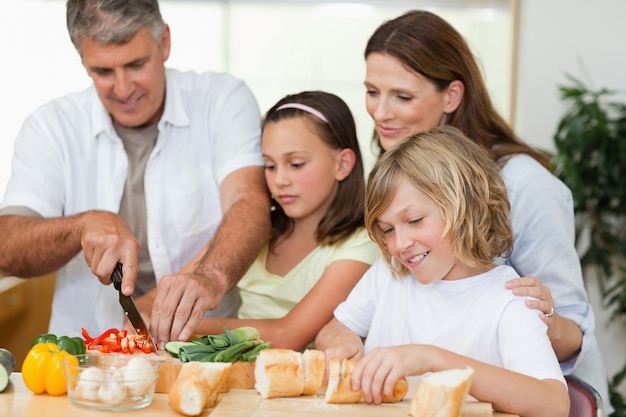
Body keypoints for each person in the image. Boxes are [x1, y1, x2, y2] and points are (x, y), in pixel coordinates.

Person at [360, 9, 611, 413]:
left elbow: (574, 337)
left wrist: (536, 315)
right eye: (372, 91)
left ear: (452, 96)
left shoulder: (526, 185)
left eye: (402, 96)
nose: (381, 112)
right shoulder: (398, 170)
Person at [0, 0, 270, 347]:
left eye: (136, 64)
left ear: (165, 43)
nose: (124, 89)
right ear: (83, 61)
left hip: (204, 348)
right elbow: (6, 245)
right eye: (103, 72)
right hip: (86, 360)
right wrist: (81, 226)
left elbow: (249, 201)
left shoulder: (223, 101)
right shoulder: (49, 127)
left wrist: (209, 277)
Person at [316, 126, 569, 417]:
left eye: (414, 220)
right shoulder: (390, 273)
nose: (399, 244)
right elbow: (333, 329)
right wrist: (342, 340)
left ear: (465, 207)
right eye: (387, 229)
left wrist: (433, 358)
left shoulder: (510, 299)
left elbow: (554, 404)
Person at [193, 91, 379, 350]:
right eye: (269, 166)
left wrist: (179, 325)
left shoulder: (362, 245)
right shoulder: (256, 230)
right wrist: (144, 313)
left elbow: (286, 335)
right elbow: (180, 286)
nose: (280, 180)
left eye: (296, 164)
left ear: (343, 164)